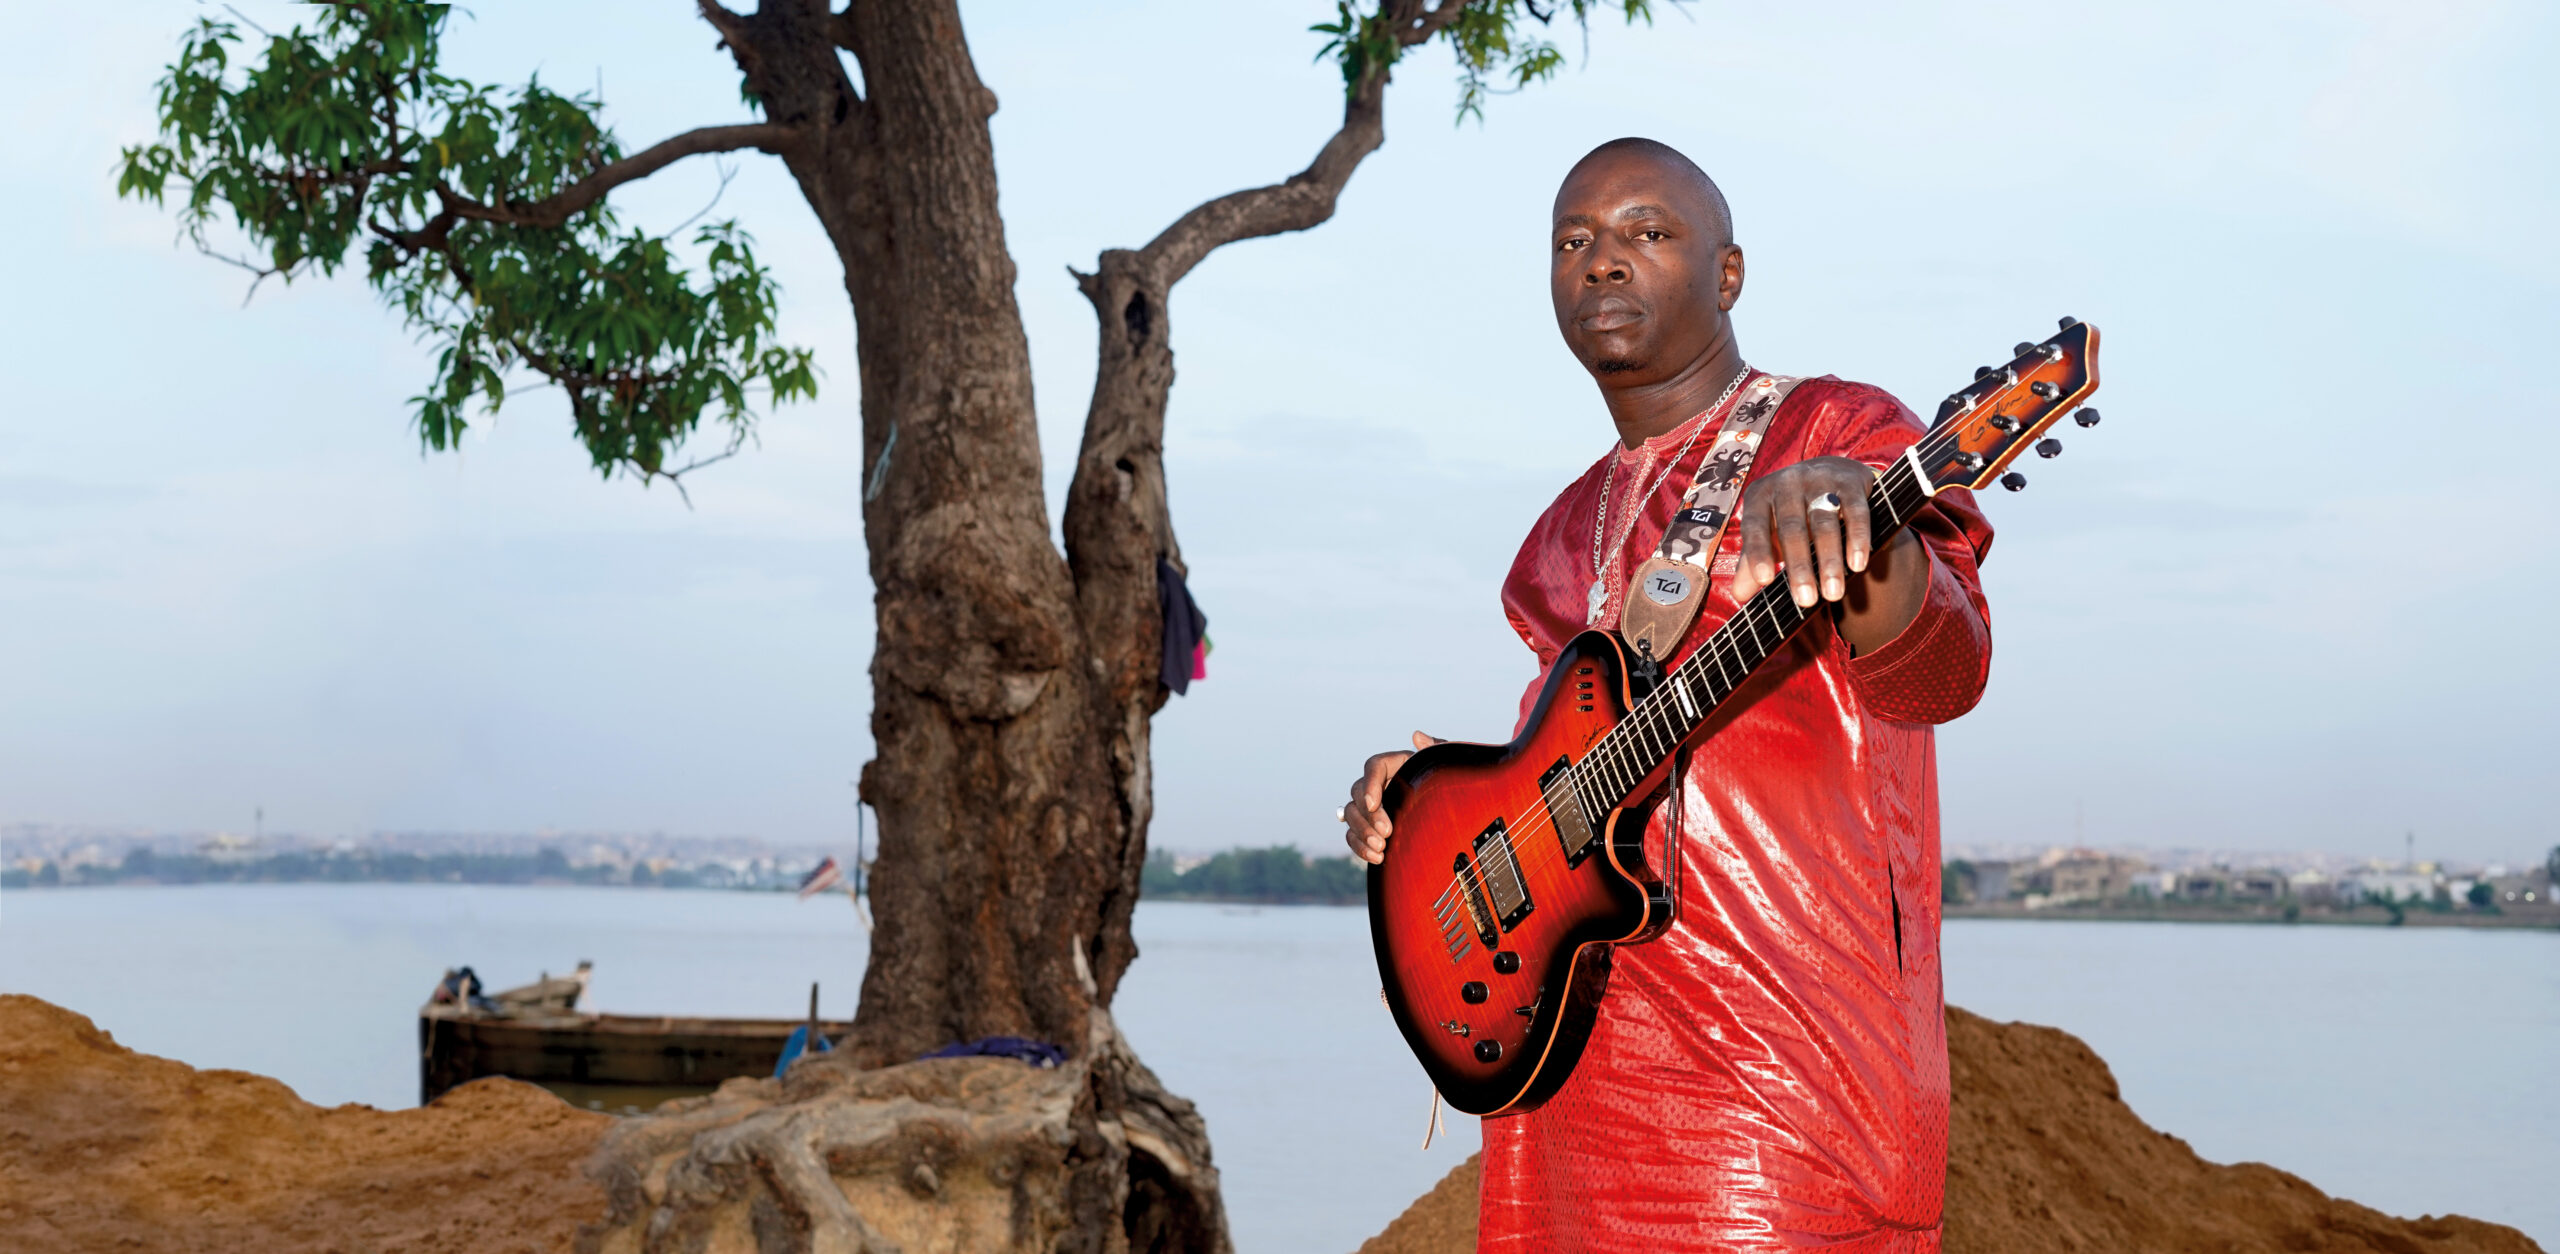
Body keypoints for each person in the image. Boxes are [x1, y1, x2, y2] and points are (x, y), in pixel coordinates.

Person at [1340, 138, 1994, 1252]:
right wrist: (1432, 808)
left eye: (1646, 232)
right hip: (1577, 1064)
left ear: (1726, 275)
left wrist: (1868, 537)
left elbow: (1942, 669)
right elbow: (1556, 769)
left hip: (1787, 1076)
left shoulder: (1834, 434)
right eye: (1573, 241)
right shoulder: (1558, 531)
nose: (1602, 262)